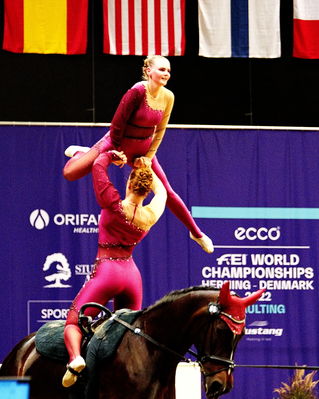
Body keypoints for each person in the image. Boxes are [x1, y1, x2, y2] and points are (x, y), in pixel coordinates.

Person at [63, 55, 214, 254]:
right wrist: (115, 150)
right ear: (148, 71)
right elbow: (117, 123)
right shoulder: (137, 91)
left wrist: (149, 157)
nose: (166, 74)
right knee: (71, 173)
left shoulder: (168, 97)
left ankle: (196, 233)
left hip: (143, 151)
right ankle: (82, 153)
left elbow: (160, 131)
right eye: (161, 69)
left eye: (168, 71)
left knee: (168, 192)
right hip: (117, 142)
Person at [62, 150, 167, 388]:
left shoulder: (112, 204)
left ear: (129, 183)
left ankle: (76, 358)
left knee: (74, 321)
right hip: (131, 276)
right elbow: (163, 194)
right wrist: (148, 166)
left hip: (107, 271)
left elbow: (98, 166)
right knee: (129, 332)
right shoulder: (150, 214)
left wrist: (112, 155)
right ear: (146, 188)